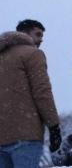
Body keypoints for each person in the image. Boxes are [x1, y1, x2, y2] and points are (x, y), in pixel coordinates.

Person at [0, 22, 61, 168]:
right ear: (25, 34)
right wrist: (54, 126)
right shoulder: (33, 54)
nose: (41, 39)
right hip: (26, 136)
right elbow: (42, 92)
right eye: (38, 34)